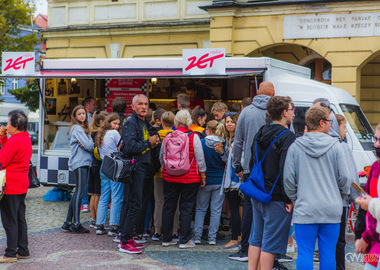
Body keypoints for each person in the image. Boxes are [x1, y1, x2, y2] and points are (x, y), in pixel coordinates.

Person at [284, 106, 351, 270]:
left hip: (305, 207)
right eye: (329, 122)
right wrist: (339, 195)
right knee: (328, 254)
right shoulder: (337, 146)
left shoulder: (295, 147)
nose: (331, 125)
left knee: (305, 253)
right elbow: (345, 178)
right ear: (321, 123)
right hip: (331, 208)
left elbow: (288, 180)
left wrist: (296, 198)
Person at [247, 96, 296, 270]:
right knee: (270, 243)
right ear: (284, 112)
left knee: (256, 238)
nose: (293, 113)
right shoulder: (287, 136)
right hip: (275, 196)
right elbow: (286, 170)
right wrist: (287, 198)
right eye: (291, 110)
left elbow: (252, 162)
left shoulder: (261, 131)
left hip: (258, 192)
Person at [231, 81, 275, 262]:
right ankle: (271, 250)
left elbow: (238, 142)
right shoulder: (275, 112)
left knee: (249, 208)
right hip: (272, 170)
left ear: (257, 93)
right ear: (273, 94)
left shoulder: (246, 112)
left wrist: (237, 165)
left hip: (251, 168)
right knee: (272, 209)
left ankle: (245, 249)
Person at [119, 94, 160, 254]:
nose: (144, 107)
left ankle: (128, 238)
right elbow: (129, 147)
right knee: (134, 204)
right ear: (133, 106)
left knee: (133, 203)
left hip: (141, 169)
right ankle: (125, 241)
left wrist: (154, 139)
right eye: (140, 104)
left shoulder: (142, 122)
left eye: (146, 104)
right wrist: (148, 143)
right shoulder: (131, 123)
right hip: (134, 169)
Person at [160, 109, 206, 249]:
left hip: (170, 177)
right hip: (190, 178)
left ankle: (166, 238)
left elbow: (162, 156)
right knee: (186, 208)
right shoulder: (194, 137)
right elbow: (200, 159)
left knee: (168, 207)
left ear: (177, 122)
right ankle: (184, 240)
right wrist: (203, 175)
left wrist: (166, 169)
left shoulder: (168, 136)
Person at [0, 110, 32, 263]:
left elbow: (2, 160)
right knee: (20, 218)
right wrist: (3, 136)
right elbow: (10, 153)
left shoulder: (15, 140)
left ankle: (10, 253)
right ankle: (23, 249)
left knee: (9, 219)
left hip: (11, 184)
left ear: (15, 125)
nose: (6, 126)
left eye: (8, 123)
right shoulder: (25, 139)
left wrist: (3, 137)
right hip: (22, 183)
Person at [134, 108, 166, 242]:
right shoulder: (156, 134)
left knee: (144, 201)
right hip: (154, 172)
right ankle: (145, 230)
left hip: (148, 171)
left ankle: (144, 229)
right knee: (152, 201)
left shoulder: (147, 130)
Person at [62, 105, 94, 234]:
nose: (82, 116)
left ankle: (68, 222)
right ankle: (76, 223)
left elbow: (90, 144)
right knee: (80, 193)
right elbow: (89, 146)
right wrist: (87, 143)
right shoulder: (77, 129)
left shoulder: (82, 129)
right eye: (79, 114)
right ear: (75, 116)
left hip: (82, 162)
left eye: (83, 113)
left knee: (77, 193)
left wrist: (88, 143)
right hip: (80, 163)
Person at [193, 120, 226, 245]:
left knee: (201, 209)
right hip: (219, 180)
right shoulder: (222, 144)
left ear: (207, 130)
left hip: (204, 179)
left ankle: (197, 235)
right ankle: (212, 237)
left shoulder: (202, 143)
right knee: (216, 210)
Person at [335, 113, 361, 270]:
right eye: (344, 127)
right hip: (340, 202)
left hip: (313, 203)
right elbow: (350, 177)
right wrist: (356, 202)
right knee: (339, 241)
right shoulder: (342, 147)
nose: (345, 131)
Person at [354, 123, 380, 270]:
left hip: (373, 238)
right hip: (373, 243)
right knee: (369, 266)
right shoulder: (375, 167)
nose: (376, 144)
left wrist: (365, 237)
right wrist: (362, 235)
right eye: (375, 139)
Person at [94, 113, 124, 237]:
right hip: (115, 165)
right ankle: (114, 226)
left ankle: (100, 224)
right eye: (114, 123)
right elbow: (121, 148)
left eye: (118, 124)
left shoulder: (101, 134)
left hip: (104, 165)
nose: (116, 126)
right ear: (109, 123)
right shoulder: (115, 134)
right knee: (117, 196)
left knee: (104, 196)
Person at [152, 111, 180, 241]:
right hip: (174, 173)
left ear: (161, 123)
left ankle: (157, 230)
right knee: (175, 203)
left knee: (159, 202)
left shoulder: (156, 135)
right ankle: (174, 230)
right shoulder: (177, 135)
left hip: (159, 173)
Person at [219, 113, 242, 251]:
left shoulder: (237, 139)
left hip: (235, 181)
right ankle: (237, 238)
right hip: (231, 179)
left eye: (232, 122)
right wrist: (222, 153)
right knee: (235, 210)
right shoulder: (228, 139)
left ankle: (235, 239)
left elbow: (237, 160)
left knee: (235, 210)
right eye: (227, 122)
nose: (229, 124)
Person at [88, 110, 108, 229]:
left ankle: (93, 219)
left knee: (93, 194)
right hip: (99, 164)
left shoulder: (92, 132)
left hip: (93, 164)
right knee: (98, 194)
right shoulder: (100, 133)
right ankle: (97, 220)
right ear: (101, 121)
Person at [81, 96, 98, 212]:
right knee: (86, 178)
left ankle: (86, 202)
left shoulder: (93, 117)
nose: (96, 106)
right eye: (94, 104)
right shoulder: (85, 119)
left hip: (92, 151)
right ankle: (84, 202)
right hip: (86, 152)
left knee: (90, 178)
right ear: (88, 106)